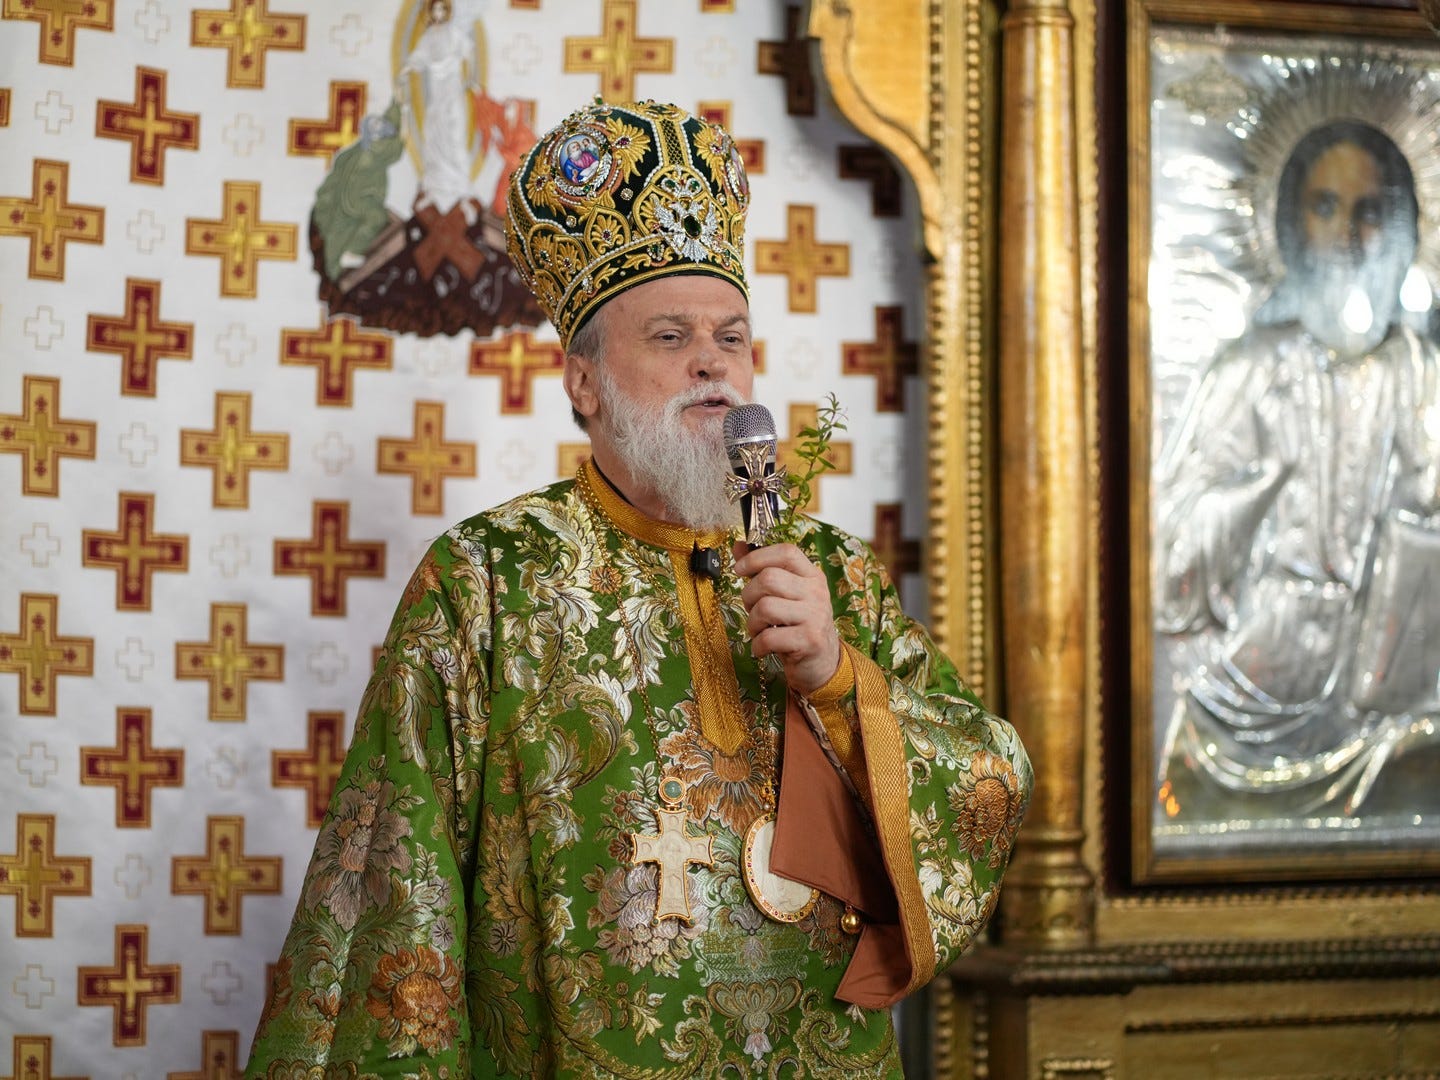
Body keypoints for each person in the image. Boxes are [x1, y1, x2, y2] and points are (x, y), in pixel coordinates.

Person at [244, 99, 1032, 1077]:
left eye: (732, 337)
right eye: (668, 336)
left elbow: (988, 785)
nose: (712, 362)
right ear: (583, 382)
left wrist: (838, 682)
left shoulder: (832, 574)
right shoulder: (486, 584)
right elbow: (395, 895)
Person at [1154, 119, 1440, 835]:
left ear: (1401, 230)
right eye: (1326, 207)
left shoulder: (1424, 375)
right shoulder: (1249, 373)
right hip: (1256, 690)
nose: (1349, 234)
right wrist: (1256, 490)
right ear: (1290, 225)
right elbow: (1171, 560)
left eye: (1370, 211)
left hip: (1396, 701)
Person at [396, 0, 478, 219]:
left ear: (447, 11)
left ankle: (461, 192)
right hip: (437, 95)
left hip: (452, 94)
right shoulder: (429, 36)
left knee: (454, 138)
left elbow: (469, 51)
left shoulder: (453, 33)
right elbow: (418, 58)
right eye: (435, 9)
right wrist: (405, 70)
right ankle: (434, 188)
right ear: (431, 12)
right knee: (434, 136)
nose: (439, 13)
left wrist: (471, 78)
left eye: (442, 9)